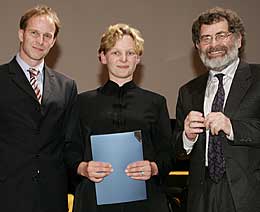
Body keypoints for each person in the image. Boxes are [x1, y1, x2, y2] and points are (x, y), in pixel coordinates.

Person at [73, 23, 173, 212]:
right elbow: (70, 150)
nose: (124, 59)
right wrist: (83, 168)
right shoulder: (81, 103)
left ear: (138, 58)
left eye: (130, 53)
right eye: (116, 53)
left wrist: (153, 167)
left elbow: (168, 153)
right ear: (103, 57)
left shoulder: (156, 102)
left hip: (145, 203)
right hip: (94, 202)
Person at [174, 7, 260, 212]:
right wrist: (186, 137)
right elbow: (176, 150)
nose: (214, 45)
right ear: (197, 46)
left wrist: (233, 127)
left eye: (221, 35)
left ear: (238, 40)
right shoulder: (188, 91)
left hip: (249, 194)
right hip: (200, 196)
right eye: (206, 38)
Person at [0, 5, 82, 212]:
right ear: (21, 33)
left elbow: (70, 142)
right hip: (7, 193)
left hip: (51, 196)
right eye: (34, 33)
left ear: (53, 41)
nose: (40, 41)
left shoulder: (67, 86)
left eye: (47, 35)